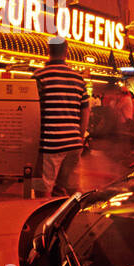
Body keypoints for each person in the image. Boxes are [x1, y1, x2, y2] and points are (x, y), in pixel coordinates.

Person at [32, 40, 90, 197]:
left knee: (42, 190)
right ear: (66, 52)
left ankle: (44, 220)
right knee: (71, 190)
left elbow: (32, 110)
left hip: (49, 145)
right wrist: (80, 136)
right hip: (73, 144)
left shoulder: (39, 76)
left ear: (48, 50)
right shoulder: (79, 79)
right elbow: (85, 110)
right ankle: (71, 219)